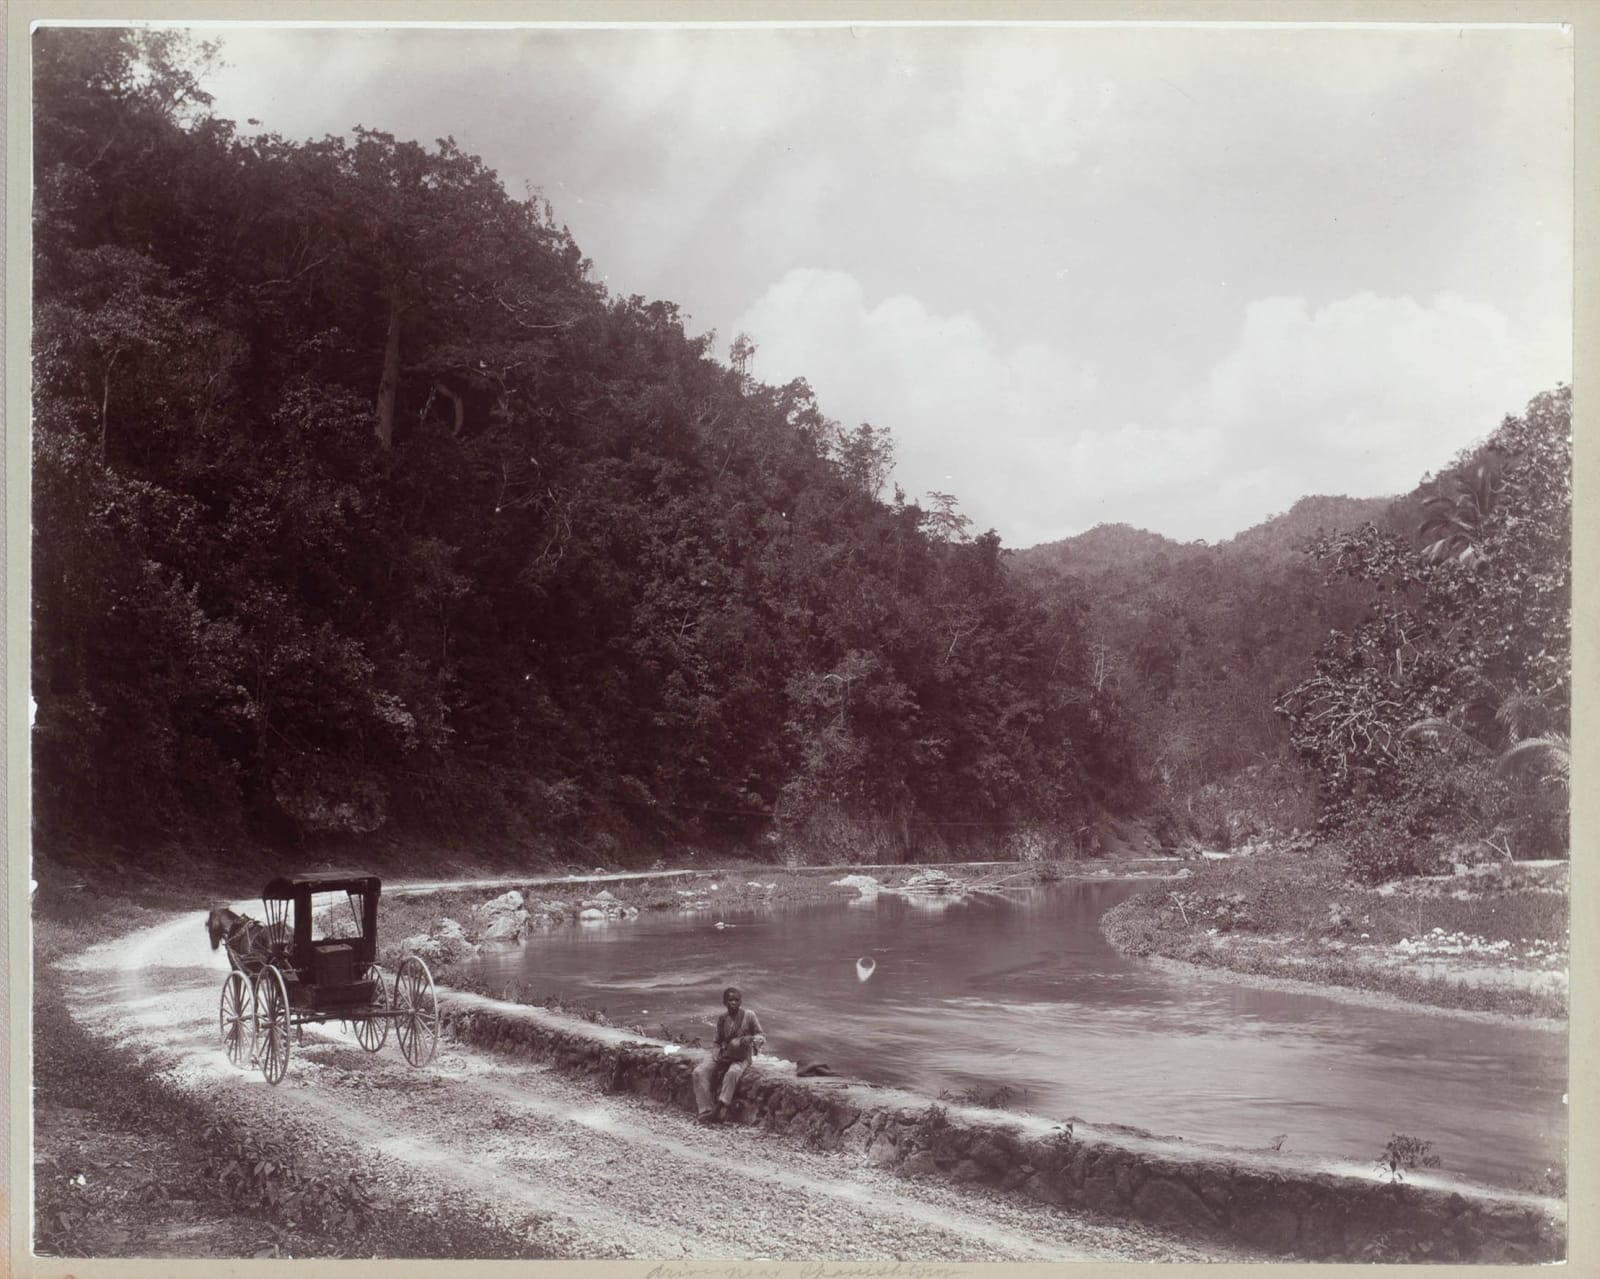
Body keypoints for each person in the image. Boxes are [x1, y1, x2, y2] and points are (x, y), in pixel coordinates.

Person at [692, 986, 765, 1123]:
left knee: (733, 1073)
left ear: (740, 1002)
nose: (734, 1003)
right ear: (724, 1002)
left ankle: (718, 1110)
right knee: (699, 1072)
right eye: (730, 1000)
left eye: (736, 1000)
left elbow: (760, 1034)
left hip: (741, 1057)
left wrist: (752, 1040)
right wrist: (716, 1055)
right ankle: (706, 1110)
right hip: (724, 1055)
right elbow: (717, 1041)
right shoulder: (722, 1019)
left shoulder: (749, 1015)